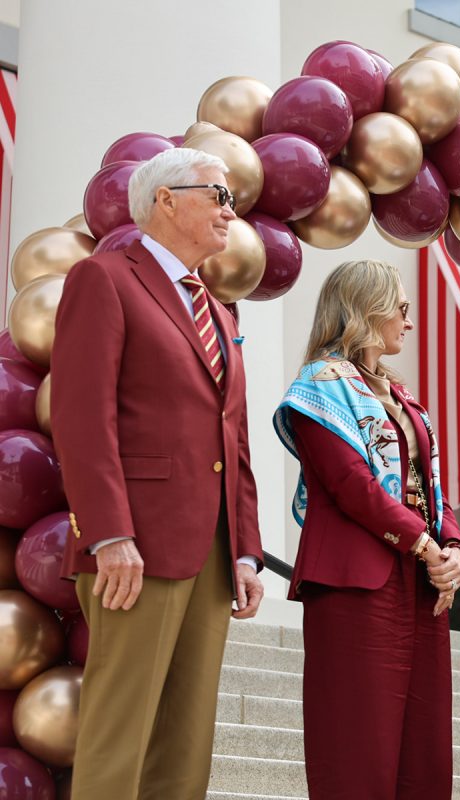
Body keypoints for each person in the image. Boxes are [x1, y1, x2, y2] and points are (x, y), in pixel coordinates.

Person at [51, 147, 264, 799]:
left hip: (213, 555)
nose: (232, 211)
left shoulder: (222, 313)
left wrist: (248, 553)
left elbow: (237, 440)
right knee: (121, 739)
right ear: (167, 201)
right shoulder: (105, 279)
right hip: (134, 548)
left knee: (186, 748)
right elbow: (83, 419)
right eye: (219, 196)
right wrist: (110, 534)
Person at [273, 259, 460, 800]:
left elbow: (431, 487)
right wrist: (426, 543)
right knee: (356, 744)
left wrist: (453, 546)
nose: (408, 321)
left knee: (424, 750)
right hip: (356, 580)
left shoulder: (401, 395)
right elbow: (350, 485)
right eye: (401, 308)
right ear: (367, 309)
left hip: (420, 580)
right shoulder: (320, 387)